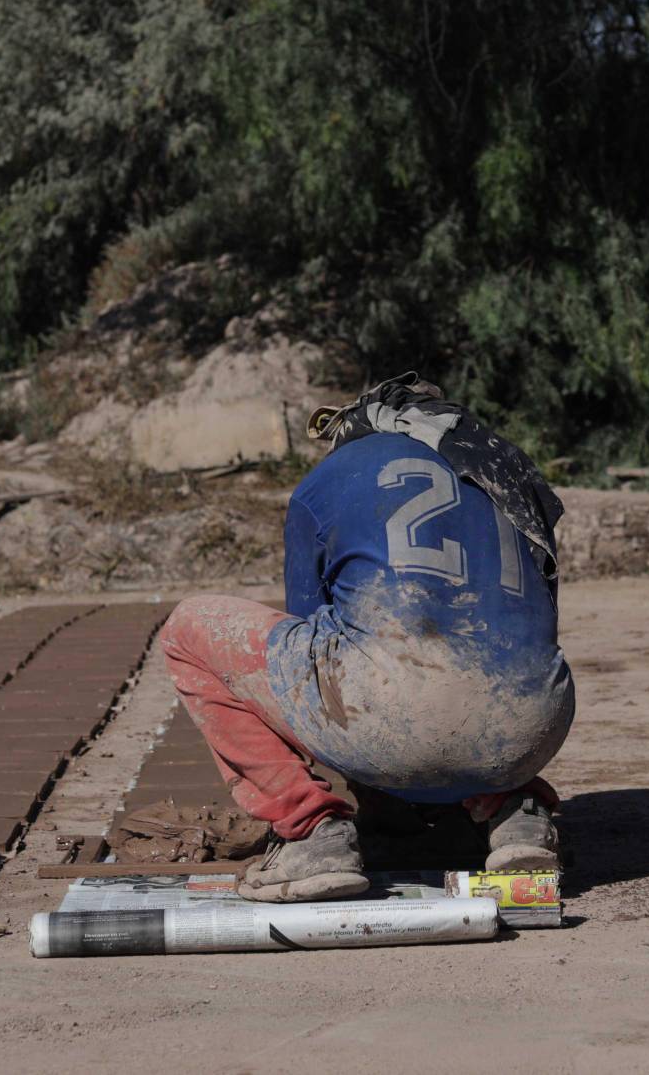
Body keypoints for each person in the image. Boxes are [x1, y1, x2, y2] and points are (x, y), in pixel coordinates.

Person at [159, 374, 574, 902]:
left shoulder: (327, 479)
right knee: (493, 647)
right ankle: (516, 814)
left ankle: (311, 835)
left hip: (391, 718)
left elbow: (317, 637)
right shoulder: (505, 474)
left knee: (189, 628)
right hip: (531, 730)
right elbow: (537, 621)